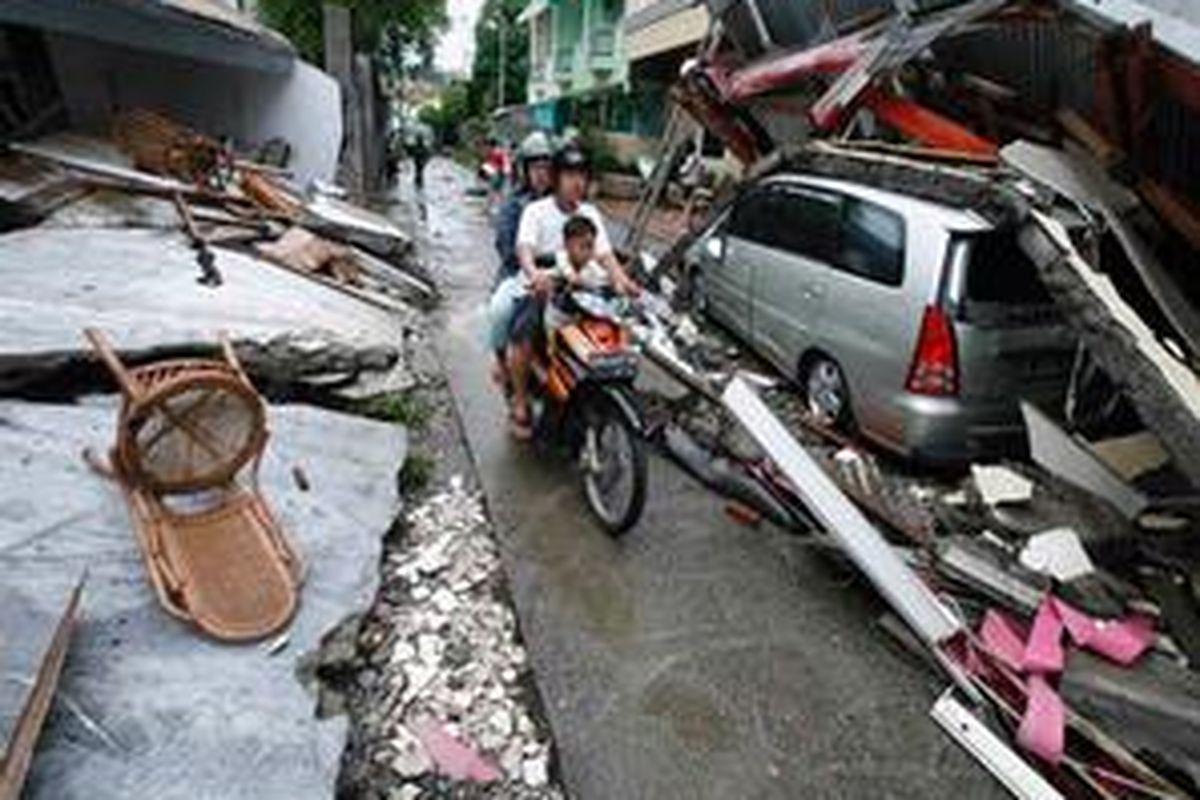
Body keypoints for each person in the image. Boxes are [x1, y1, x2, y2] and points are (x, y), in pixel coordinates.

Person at [505, 143, 639, 438]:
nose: (577, 182)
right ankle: (520, 397)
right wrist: (534, 274)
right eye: (569, 175)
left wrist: (621, 280)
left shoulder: (590, 211)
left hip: (582, 283)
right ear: (556, 178)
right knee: (524, 326)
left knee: (617, 327)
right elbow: (524, 248)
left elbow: (604, 255)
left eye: (582, 175)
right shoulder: (535, 210)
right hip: (544, 281)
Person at [486, 131, 554, 388]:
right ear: (524, 170)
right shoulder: (513, 204)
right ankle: (502, 358)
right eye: (535, 167)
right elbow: (505, 247)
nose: (541, 174)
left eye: (547, 168)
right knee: (501, 311)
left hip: (557, 272)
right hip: (519, 272)